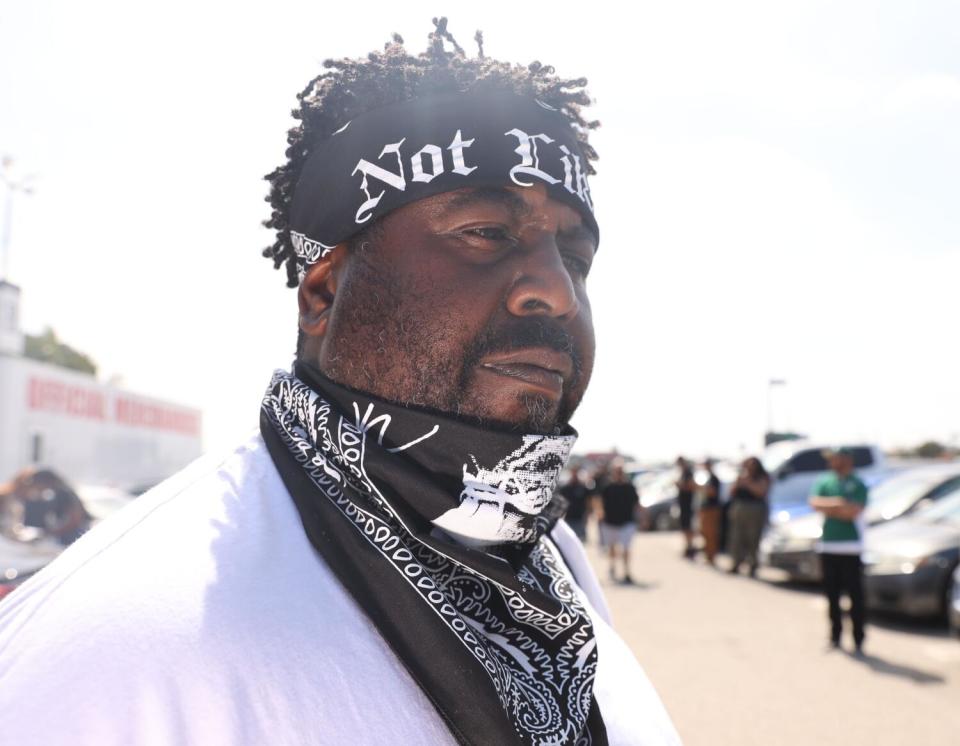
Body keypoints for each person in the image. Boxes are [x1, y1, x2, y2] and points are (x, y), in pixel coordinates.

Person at [0, 20, 679, 746]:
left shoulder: (550, 564)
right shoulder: (124, 643)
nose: (556, 291)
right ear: (322, 291)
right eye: (485, 231)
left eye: (574, 255)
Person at [809, 447, 868, 653]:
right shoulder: (825, 481)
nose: (831, 462)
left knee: (855, 596)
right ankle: (835, 636)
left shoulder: (857, 483)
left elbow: (853, 511)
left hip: (851, 547)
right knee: (831, 595)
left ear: (845, 459)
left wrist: (833, 509)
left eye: (835, 458)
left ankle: (858, 639)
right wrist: (838, 504)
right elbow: (815, 503)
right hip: (828, 545)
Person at [599, 460, 642, 584]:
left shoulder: (629, 487)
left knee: (626, 549)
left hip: (627, 522)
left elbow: (636, 503)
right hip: (610, 522)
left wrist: (643, 517)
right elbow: (599, 501)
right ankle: (612, 566)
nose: (618, 474)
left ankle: (627, 572)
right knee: (612, 548)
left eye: (620, 471)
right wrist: (599, 513)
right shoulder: (607, 487)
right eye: (616, 471)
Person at [727, 456, 770, 576]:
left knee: (753, 538)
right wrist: (739, 482)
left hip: (755, 509)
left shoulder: (761, 477)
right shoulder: (741, 476)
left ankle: (753, 564)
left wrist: (748, 483)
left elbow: (761, 492)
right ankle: (736, 563)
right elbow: (731, 492)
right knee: (736, 537)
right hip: (740, 508)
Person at [698, 458, 722, 566]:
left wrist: (703, 489)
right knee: (705, 533)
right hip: (706, 509)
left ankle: (711, 557)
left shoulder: (714, 478)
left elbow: (713, 493)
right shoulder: (708, 478)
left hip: (711, 509)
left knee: (711, 534)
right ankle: (708, 556)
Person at [558, 467, 590, 541]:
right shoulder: (565, 488)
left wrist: (588, 515)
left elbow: (588, 502)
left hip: (580, 518)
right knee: (568, 539)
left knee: (580, 539)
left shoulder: (583, 487)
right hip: (568, 518)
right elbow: (561, 502)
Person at [675, 456, 697, 558]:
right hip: (683, 504)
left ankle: (690, 547)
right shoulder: (683, 473)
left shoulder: (688, 473)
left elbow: (691, 486)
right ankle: (688, 547)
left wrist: (680, 486)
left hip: (688, 504)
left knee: (688, 527)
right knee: (685, 527)